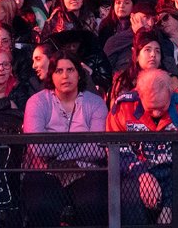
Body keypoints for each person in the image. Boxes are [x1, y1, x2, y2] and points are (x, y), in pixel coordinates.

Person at [106, 68, 178, 225]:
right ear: (139, 95)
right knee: (128, 194)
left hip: (176, 172)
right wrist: (143, 175)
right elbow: (115, 151)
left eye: (161, 107)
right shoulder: (122, 107)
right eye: (151, 107)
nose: (155, 113)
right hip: (136, 172)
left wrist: (170, 204)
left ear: (170, 92)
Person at [21, 52, 109, 227]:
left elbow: (99, 148)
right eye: (59, 71)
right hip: (44, 171)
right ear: (51, 75)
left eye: (70, 70)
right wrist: (82, 139)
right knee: (42, 205)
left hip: (86, 171)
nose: (65, 76)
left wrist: (56, 149)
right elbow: (38, 148)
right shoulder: (37, 102)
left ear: (79, 73)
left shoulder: (96, 103)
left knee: (92, 203)